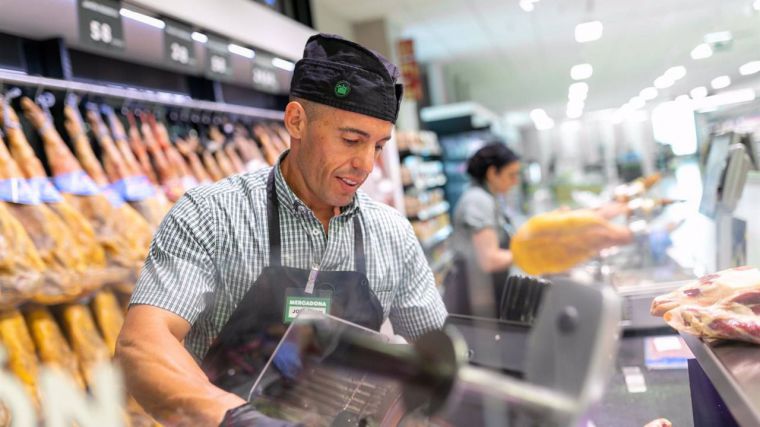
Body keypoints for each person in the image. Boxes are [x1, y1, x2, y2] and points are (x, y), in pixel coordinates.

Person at [116, 33, 447, 426]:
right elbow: (142, 344)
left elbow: (438, 359)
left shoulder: (392, 233)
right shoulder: (211, 215)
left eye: (377, 146)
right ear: (296, 121)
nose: (366, 164)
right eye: (351, 140)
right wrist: (242, 420)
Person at [444, 143, 520, 318]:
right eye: (511, 175)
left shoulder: (489, 198)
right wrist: (531, 253)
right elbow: (489, 260)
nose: (515, 181)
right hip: (475, 298)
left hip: (484, 291)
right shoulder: (478, 201)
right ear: (493, 173)